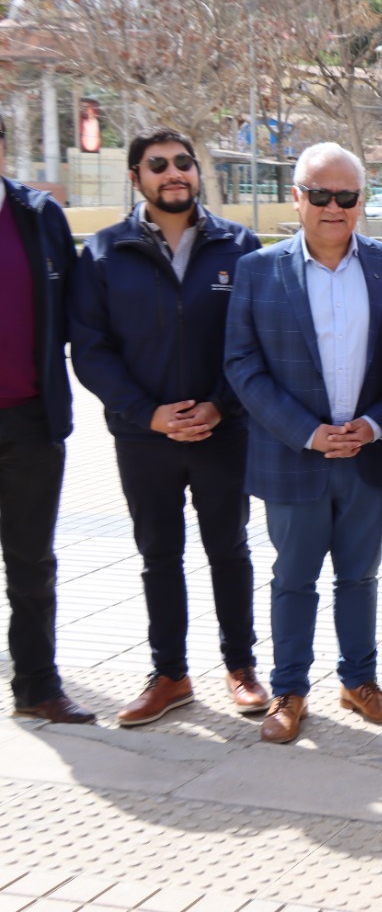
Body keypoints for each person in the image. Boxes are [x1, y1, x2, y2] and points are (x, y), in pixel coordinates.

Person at [71, 129, 266, 726]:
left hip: (222, 432)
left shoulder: (240, 246)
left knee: (229, 550)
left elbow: (255, 339)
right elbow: (92, 349)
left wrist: (218, 405)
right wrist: (147, 413)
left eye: (184, 162)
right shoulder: (104, 253)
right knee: (159, 555)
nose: (174, 172)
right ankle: (171, 675)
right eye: (158, 165)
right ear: (136, 178)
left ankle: (241, 667)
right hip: (143, 438)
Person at [224, 142, 382, 744]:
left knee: (360, 577)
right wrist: (307, 432)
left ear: (362, 201)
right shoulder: (258, 269)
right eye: (321, 195)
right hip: (291, 458)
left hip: (368, 457)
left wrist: (376, 424)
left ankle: (360, 681)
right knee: (293, 578)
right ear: (297, 196)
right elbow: (242, 364)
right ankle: (289, 690)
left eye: (347, 196)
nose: (334, 207)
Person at [0, 113, 94, 725]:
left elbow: (79, 310)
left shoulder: (38, 218)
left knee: (32, 563)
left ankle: (37, 686)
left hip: (31, 422)